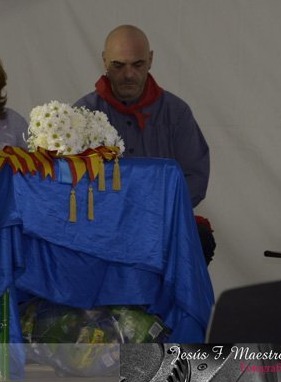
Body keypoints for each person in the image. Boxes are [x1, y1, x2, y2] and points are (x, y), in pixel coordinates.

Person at [74, 25, 215, 264]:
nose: (128, 74)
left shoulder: (176, 113)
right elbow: (69, 180)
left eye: (137, 64)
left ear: (150, 59)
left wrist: (154, 211)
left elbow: (195, 177)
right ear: (104, 61)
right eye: (118, 66)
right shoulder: (82, 115)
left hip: (160, 221)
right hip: (102, 225)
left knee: (200, 240)